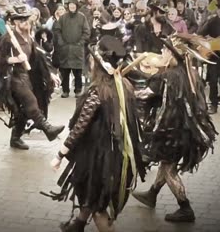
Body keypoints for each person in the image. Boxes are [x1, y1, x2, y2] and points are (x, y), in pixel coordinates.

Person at [45, 35, 147, 232]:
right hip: (115, 154)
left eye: (91, 60)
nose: (89, 63)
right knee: (91, 193)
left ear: (97, 64)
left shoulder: (98, 91)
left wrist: (59, 155)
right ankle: (78, 225)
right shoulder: (123, 85)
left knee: (98, 207)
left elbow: (80, 126)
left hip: (100, 158)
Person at [131, 37, 217, 223]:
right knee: (165, 164)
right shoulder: (187, 72)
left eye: (166, 50)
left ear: (174, 55)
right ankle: (152, 194)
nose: (163, 52)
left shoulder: (169, 76)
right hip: (184, 130)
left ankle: (185, 207)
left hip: (172, 131)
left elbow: (146, 94)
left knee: (169, 170)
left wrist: (125, 90)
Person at [0, 4, 64, 150]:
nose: (25, 22)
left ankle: (15, 138)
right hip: (13, 78)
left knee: (25, 110)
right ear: (15, 22)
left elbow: (38, 59)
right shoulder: (7, 39)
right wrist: (13, 59)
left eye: (26, 19)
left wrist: (50, 74)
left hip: (27, 77)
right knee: (31, 101)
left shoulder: (29, 38)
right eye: (21, 20)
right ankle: (48, 129)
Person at [53, 0, 90, 98]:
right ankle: (65, 90)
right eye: (70, 5)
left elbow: (86, 32)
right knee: (65, 71)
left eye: (73, 5)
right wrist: (61, 41)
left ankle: (78, 90)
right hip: (65, 48)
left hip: (77, 48)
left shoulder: (82, 17)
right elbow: (57, 30)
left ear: (77, 6)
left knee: (77, 72)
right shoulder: (63, 17)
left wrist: (81, 42)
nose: (72, 7)